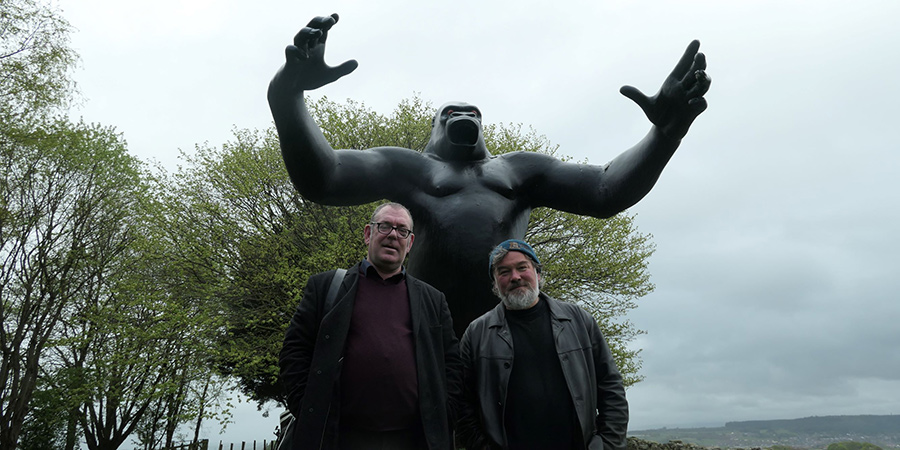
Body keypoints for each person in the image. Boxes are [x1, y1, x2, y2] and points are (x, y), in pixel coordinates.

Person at [268, 14, 711, 336]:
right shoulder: (407, 167)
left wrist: (663, 136)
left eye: (473, 112)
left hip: (506, 329)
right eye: (450, 113)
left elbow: (604, 190)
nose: (464, 115)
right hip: (421, 330)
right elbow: (323, 179)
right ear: (432, 130)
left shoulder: (519, 170)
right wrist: (287, 94)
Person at [279, 202, 462, 450]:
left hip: (413, 440)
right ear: (368, 233)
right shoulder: (326, 288)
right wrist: (309, 407)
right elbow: (295, 350)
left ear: (410, 243)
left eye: (402, 231)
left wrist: (444, 414)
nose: (393, 235)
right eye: (385, 226)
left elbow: (451, 362)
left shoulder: (433, 300)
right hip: (339, 438)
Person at [457, 239, 629, 450]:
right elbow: (463, 405)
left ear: (538, 273)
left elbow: (611, 387)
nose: (515, 277)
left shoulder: (579, 321)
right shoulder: (477, 334)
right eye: (504, 272)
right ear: (495, 283)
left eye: (522, 268)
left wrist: (607, 445)